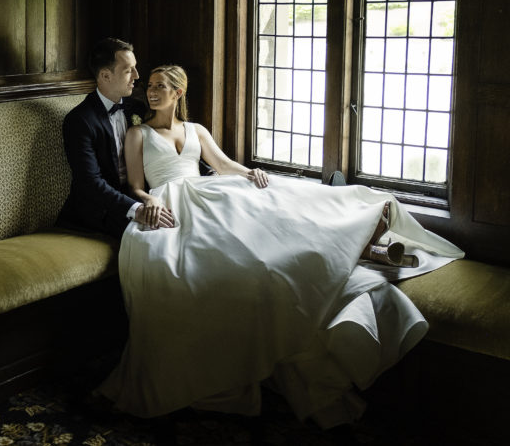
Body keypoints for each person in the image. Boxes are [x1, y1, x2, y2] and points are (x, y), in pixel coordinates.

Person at [97, 65, 464, 428]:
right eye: (150, 86)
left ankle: (360, 232)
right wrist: (149, 202)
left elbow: (221, 164)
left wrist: (248, 173)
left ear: (178, 93)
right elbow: (135, 185)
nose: (152, 92)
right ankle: (364, 249)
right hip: (170, 199)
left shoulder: (195, 129)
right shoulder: (138, 133)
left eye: (161, 86)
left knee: (279, 210)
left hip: (208, 191)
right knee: (222, 258)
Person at [56, 38, 175, 237]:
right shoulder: (79, 121)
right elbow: (90, 183)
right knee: (162, 235)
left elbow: (167, 142)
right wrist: (136, 209)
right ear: (105, 75)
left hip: (143, 195)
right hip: (100, 210)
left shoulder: (136, 107)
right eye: (128, 70)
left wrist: (208, 171)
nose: (137, 76)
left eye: (135, 68)